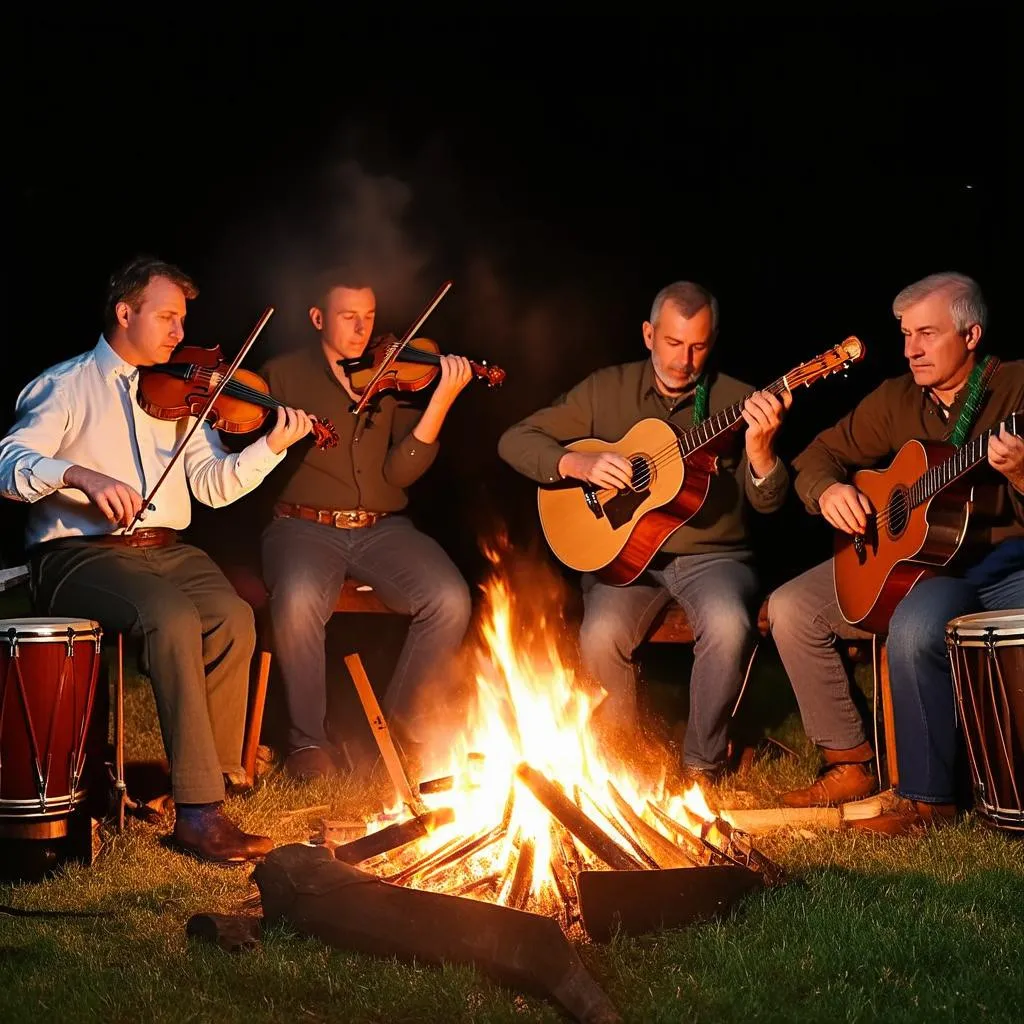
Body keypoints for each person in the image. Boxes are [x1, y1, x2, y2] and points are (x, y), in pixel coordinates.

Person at [0, 256, 314, 863]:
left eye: (182, 320)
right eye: (167, 317)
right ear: (125, 312)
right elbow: (9, 465)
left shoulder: (183, 388)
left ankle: (206, 783)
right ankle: (199, 816)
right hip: (78, 554)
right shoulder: (63, 385)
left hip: (169, 548)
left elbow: (213, 485)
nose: (178, 332)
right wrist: (79, 474)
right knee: (169, 617)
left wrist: (272, 446)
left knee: (233, 616)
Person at [497, 280, 791, 780]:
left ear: (712, 341)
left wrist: (762, 453)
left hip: (713, 557)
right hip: (626, 561)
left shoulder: (740, 401)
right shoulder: (605, 389)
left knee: (727, 624)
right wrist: (575, 463)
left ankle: (701, 763)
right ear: (649, 334)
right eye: (673, 343)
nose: (684, 360)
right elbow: (514, 440)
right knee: (600, 633)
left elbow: (770, 503)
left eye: (698, 346)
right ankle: (623, 763)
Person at [767, 271, 1024, 832]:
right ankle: (849, 761)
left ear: (971, 334)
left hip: (1001, 564)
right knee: (791, 607)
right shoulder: (896, 399)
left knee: (913, 626)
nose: (911, 349)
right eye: (906, 334)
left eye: (927, 334)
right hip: (919, 563)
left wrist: (1022, 474)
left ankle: (928, 802)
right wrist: (828, 490)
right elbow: (816, 455)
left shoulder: (1016, 392)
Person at [258, 265, 474, 781]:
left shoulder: (392, 375)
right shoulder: (282, 374)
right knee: (298, 599)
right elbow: (245, 451)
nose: (362, 329)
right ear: (317, 318)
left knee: (450, 599)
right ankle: (308, 742)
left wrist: (440, 399)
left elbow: (401, 470)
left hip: (383, 528)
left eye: (370, 316)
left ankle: (390, 734)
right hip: (302, 526)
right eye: (348, 316)